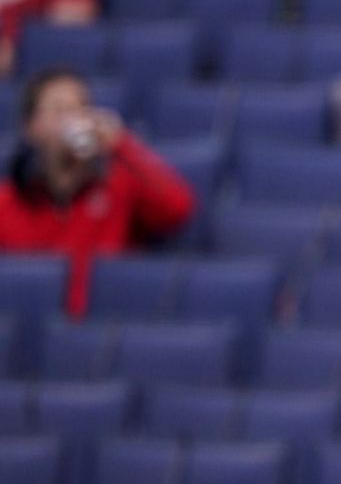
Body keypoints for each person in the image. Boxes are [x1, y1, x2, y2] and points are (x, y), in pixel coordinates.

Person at [0, 69, 195, 317]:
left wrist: (121, 143)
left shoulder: (117, 185)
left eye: (81, 108)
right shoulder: (7, 202)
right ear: (32, 126)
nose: (74, 119)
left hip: (103, 327)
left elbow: (178, 208)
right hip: (33, 334)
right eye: (60, 110)